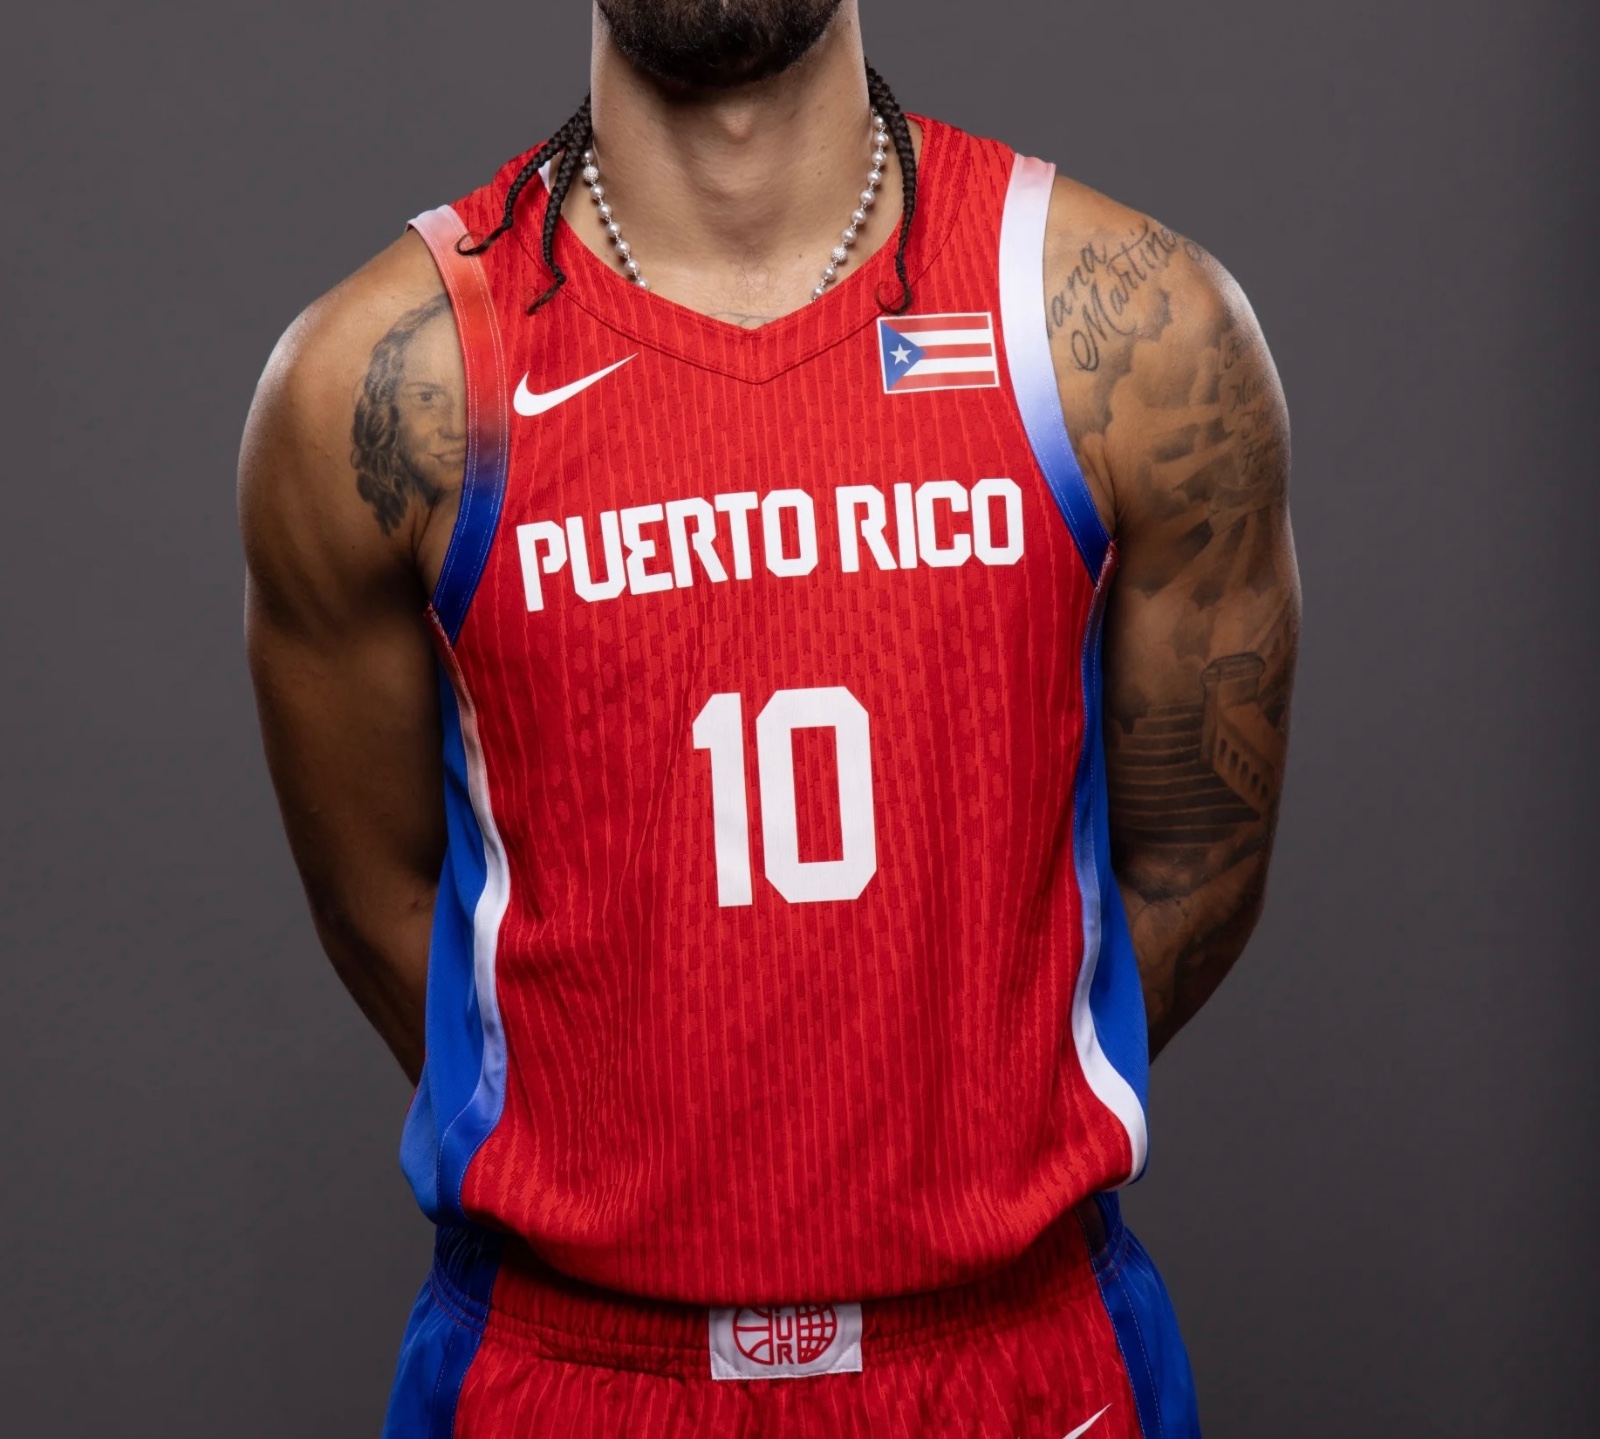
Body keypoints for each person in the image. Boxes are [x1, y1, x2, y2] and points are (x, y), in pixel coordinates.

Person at [238, 0, 1298, 1432]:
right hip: (566, 1376)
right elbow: (383, 903)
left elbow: (1194, 868)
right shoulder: (385, 380)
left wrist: (957, 1116)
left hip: (1014, 1360)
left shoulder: (1122, 331)